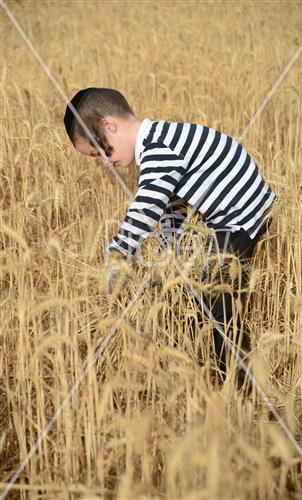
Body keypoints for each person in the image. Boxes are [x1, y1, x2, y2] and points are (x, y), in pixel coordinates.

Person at [63, 87, 277, 386]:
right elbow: (172, 207)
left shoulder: (158, 149)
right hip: (236, 214)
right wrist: (168, 250)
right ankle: (208, 367)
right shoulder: (161, 142)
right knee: (195, 284)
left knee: (216, 299)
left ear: (109, 126)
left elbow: (147, 206)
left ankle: (240, 387)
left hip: (239, 218)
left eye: (101, 150)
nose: (105, 162)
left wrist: (118, 254)